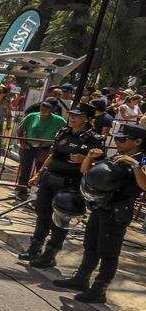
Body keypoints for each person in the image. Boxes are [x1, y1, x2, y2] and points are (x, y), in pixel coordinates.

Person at [53, 124, 146, 303]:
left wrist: (134, 165)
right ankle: (81, 278)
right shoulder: (117, 155)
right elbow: (85, 172)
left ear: (137, 142)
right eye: (117, 139)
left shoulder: (142, 159)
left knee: (108, 251)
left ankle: (99, 289)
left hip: (118, 210)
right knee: (91, 244)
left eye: (121, 139)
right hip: (102, 205)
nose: (117, 142)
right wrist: (89, 157)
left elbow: (144, 185)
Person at [20, 103, 102, 269]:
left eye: (77, 116)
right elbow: (52, 155)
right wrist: (38, 174)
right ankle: (34, 248)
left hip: (70, 184)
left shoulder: (94, 139)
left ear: (87, 118)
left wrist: (85, 160)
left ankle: (50, 254)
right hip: (50, 178)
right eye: (71, 115)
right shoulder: (64, 132)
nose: (72, 118)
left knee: (60, 220)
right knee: (42, 214)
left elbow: (99, 166)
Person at [13, 98, 66, 199]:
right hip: (29, 146)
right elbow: (20, 129)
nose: (44, 109)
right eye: (43, 105)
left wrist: (55, 145)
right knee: (25, 168)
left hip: (45, 149)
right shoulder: (32, 116)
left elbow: (65, 133)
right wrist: (22, 142)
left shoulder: (59, 120)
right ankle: (22, 190)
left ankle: (39, 194)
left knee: (41, 170)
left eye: (47, 107)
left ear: (54, 109)